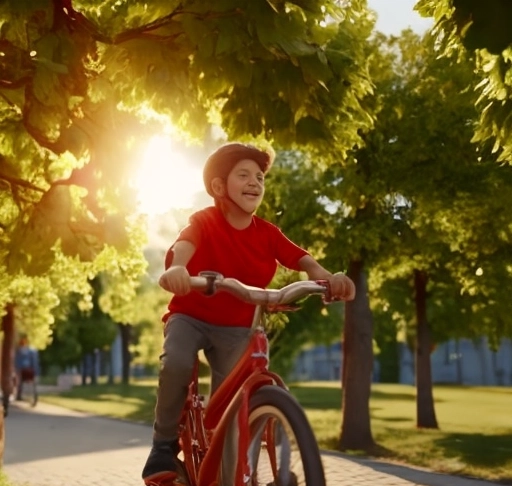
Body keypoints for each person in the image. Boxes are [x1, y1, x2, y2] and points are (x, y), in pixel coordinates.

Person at [142, 142, 356, 485]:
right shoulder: (205, 220)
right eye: (243, 175)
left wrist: (328, 278)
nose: (255, 181)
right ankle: (163, 445)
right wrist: (178, 269)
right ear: (218, 186)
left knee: (233, 411)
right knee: (177, 363)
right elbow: (184, 246)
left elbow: (302, 259)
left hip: (238, 326)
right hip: (191, 315)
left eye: (259, 176)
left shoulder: (267, 233)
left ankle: (234, 476)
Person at [14, 335, 39, 401]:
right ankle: (19, 394)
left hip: (27, 370)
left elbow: (34, 362)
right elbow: (17, 362)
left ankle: (20, 395)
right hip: (23, 370)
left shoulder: (30, 351)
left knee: (23, 381)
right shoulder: (20, 351)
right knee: (20, 381)